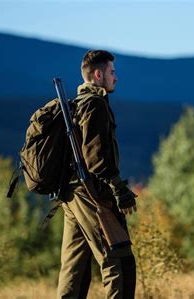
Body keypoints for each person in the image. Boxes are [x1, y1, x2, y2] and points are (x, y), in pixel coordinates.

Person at [57, 50, 137, 299]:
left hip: (71, 195)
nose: (116, 77)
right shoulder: (94, 103)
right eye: (112, 72)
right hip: (91, 191)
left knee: (75, 266)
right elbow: (96, 158)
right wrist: (118, 187)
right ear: (98, 74)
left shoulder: (76, 103)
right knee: (118, 258)